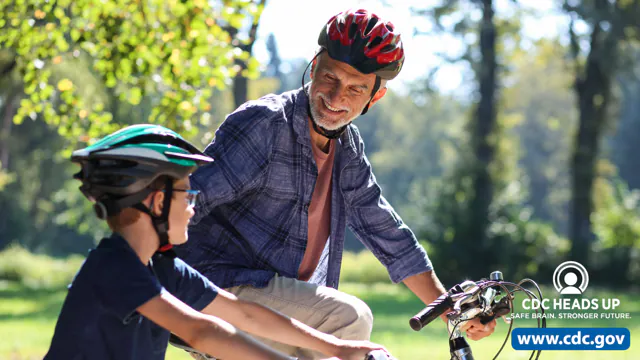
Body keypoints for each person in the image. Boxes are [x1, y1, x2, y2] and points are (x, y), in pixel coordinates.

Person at [175, 8, 496, 359]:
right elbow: (188, 199)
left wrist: (451, 308)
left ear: (375, 97)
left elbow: (390, 237)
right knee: (346, 319)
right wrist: (139, 275)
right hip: (213, 290)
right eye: (330, 78)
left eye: (356, 88)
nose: (336, 97)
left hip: (268, 306)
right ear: (314, 67)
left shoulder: (348, 150)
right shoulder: (265, 124)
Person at [44, 124, 391, 360]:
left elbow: (243, 313)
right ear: (158, 202)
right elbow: (200, 331)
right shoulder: (115, 267)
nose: (194, 207)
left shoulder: (161, 268)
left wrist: (338, 348)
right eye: (187, 195)